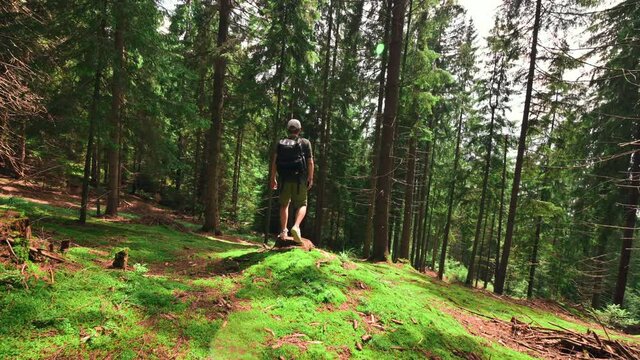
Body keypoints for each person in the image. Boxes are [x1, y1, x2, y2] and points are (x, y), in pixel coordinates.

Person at [270, 119, 314, 244]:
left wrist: (273, 178)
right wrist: (310, 177)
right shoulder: (305, 142)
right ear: (299, 130)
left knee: (284, 205)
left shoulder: (281, 143)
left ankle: (284, 230)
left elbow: (275, 162)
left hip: (284, 179)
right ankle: (296, 226)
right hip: (300, 179)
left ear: (288, 129)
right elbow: (310, 162)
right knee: (302, 204)